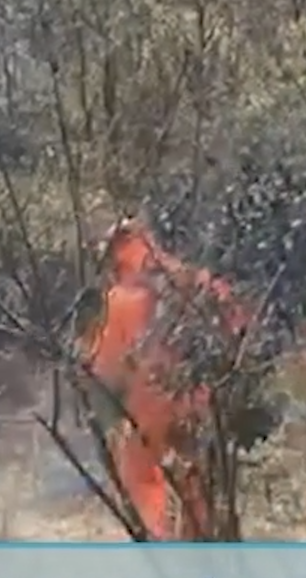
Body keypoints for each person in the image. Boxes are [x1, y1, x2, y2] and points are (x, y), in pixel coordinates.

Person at [81, 218, 248, 541]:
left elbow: (107, 365)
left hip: (151, 401)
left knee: (136, 471)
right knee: (196, 477)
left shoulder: (124, 297)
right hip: (201, 397)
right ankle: (197, 540)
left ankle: (161, 538)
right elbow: (236, 326)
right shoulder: (197, 281)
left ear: (121, 253)